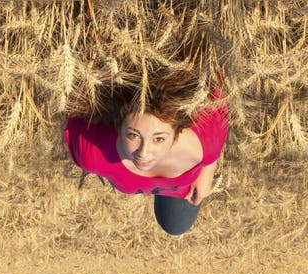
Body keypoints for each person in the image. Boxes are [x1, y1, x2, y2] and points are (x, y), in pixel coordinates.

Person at [64, 73, 228, 236]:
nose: (144, 153)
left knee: (175, 226)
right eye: (133, 135)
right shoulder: (91, 152)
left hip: (184, 190)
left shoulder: (203, 146)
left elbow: (216, 81)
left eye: (159, 139)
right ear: (118, 127)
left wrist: (207, 169)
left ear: (178, 131)